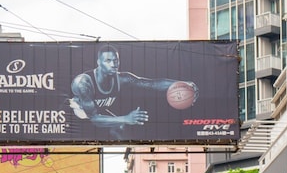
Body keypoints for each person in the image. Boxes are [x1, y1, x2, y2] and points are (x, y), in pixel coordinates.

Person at [69, 44, 198, 140]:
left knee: (120, 129)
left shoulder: (122, 78)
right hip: (76, 115)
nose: (114, 64)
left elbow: (150, 84)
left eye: (116, 60)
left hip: (99, 110)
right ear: (98, 63)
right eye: (108, 61)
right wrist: (126, 118)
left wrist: (182, 84)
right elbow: (95, 119)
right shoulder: (84, 83)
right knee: (119, 125)